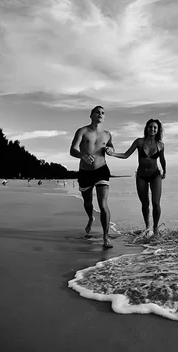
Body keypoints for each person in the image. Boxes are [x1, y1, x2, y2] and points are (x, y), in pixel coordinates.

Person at [107, 119, 167, 238]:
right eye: (150, 127)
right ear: (146, 128)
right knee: (145, 203)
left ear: (158, 130)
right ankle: (147, 227)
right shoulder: (139, 142)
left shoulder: (160, 144)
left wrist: (165, 171)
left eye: (155, 127)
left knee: (156, 202)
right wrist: (112, 154)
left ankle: (155, 229)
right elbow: (126, 155)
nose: (152, 129)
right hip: (141, 176)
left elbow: (162, 159)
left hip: (155, 175)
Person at [70, 105, 115, 249]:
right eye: (97, 112)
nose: (100, 114)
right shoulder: (82, 131)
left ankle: (105, 236)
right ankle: (90, 218)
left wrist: (110, 150)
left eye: (103, 113)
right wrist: (82, 155)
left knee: (103, 204)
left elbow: (111, 147)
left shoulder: (107, 134)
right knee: (88, 202)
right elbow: (72, 150)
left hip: (102, 170)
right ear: (91, 115)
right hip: (85, 172)